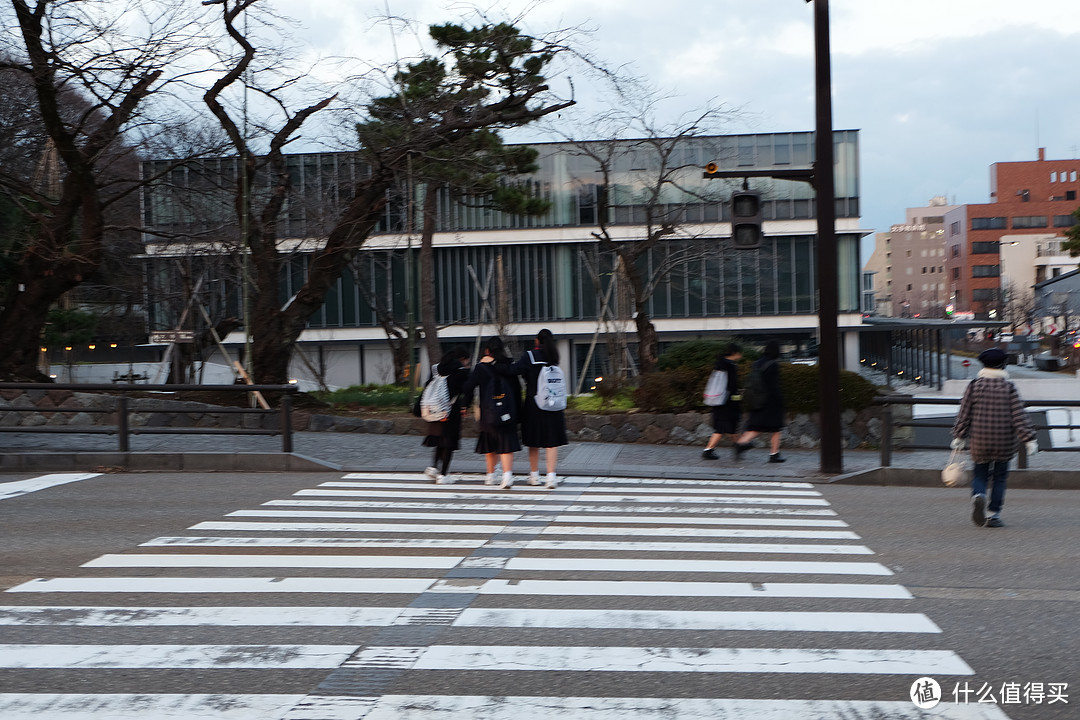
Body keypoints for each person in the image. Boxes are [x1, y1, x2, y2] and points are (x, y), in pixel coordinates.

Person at [951, 347, 1037, 528]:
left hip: (979, 440)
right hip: (1004, 442)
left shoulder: (974, 386)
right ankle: (993, 515)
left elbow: (964, 413)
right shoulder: (1009, 387)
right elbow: (1019, 416)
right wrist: (1029, 439)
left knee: (980, 474)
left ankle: (979, 495)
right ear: (1003, 365)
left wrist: (959, 435)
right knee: (999, 478)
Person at [462, 336, 522, 489]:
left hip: (488, 412)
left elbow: (468, 387)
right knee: (506, 443)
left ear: (487, 350)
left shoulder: (481, 367)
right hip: (507, 412)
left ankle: (491, 475)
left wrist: (464, 406)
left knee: (489, 443)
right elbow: (517, 389)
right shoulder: (509, 365)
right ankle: (507, 475)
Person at [513, 328, 568, 489]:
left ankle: (534, 475)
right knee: (552, 442)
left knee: (533, 441)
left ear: (537, 341)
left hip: (534, 403)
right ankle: (551, 477)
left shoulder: (530, 356)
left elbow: (515, 370)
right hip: (554, 404)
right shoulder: (554, 357)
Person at [421, 346, 471, 484]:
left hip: (434, 411)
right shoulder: (461, 372)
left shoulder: (435, 369)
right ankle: (443, 474)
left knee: (439, 441)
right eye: (467, 360)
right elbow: (466, 390)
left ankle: (433, 467)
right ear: (462, 359)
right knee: (448, 443)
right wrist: (465, 405)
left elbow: (427, 386)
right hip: (450, 411)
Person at [733, 339, 786, 463]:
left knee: (756, 427)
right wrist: (780, 402)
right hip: (771, 402)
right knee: (776, 428)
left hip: (756, 400)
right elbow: (774, 386)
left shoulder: (757, 363)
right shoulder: (773, 365)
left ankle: (741, 443)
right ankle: (774, 454)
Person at [701, 342, 743, 460]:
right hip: (728, 402)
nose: (740, 356)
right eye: (740, 353)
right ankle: (708, 450)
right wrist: (738, 399)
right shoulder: (731, 366)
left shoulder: (719, 364)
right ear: (735, 353)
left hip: (717, 400)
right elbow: (732, 387)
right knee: (722, 428)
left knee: (729, 427)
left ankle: (739, 446)